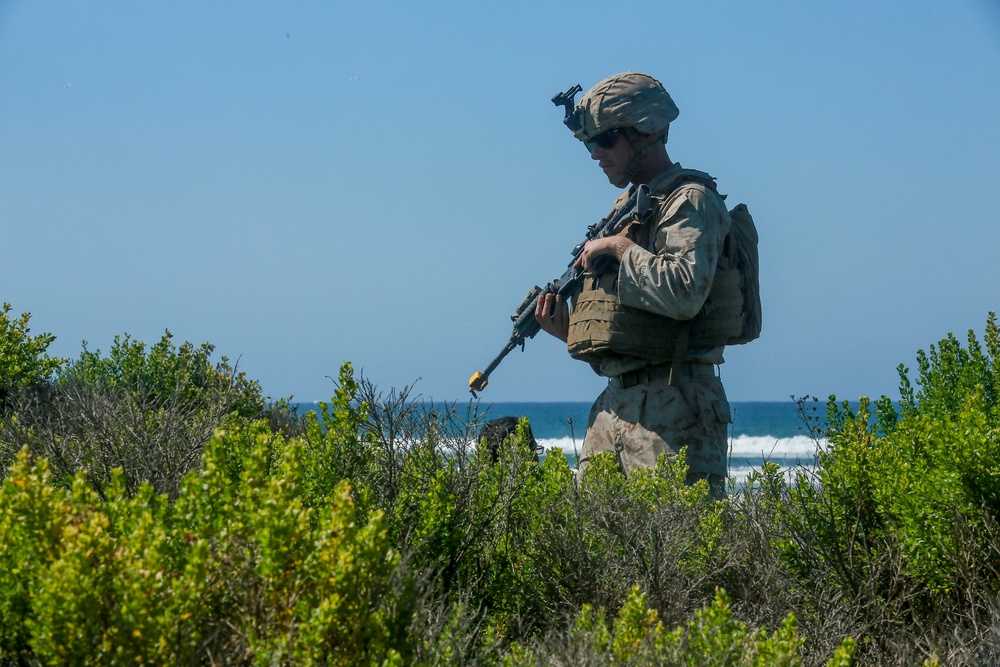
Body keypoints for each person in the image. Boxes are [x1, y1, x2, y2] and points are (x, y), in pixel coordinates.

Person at [535, 71, 735, 499]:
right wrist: (568, 331)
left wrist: (623, 249)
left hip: (674, 410)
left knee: (681, 554)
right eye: (591, 144)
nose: (595, 155)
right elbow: (631, 335)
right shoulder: (626, 209)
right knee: (595, 554)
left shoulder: (689, 200)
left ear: (646, 132)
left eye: (605, 141)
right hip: (615, 408)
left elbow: (685, 291)